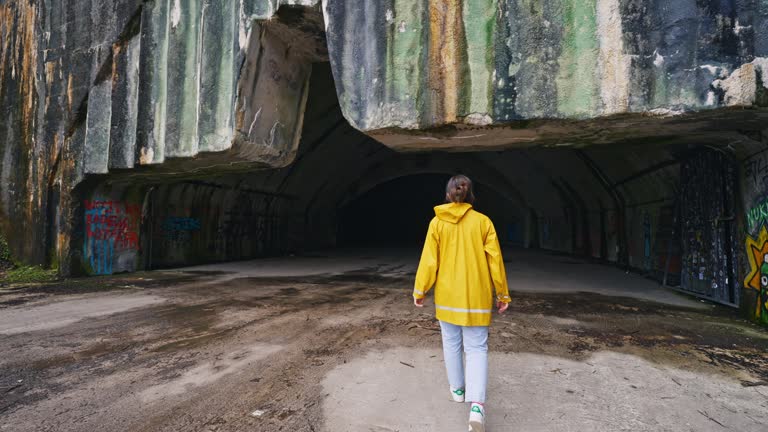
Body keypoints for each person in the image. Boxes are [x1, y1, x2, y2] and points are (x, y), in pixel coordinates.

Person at [413, 174, 511, 432]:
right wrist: (502, 294)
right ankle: (476, 406)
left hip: (447, 297)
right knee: (477, 348)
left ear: (448, 195)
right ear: (470, 196)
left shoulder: (437, 223)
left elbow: (429, 260)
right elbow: (495, 261)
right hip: (477, 297)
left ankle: (457, 390)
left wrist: (420, 289)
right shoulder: (483, 222)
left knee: (451, 343)